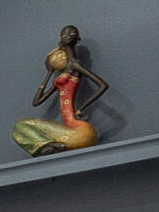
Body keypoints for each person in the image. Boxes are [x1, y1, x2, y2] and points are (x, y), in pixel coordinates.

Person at [13, 25, 109, 156]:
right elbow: (36, 102)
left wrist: (81, 108)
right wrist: (49, 75)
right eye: (64, 34)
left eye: (71, 34)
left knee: (22, 125)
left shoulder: (75, 64)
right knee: (20, 126)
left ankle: (50, 147)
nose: (67, 36)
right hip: (70, 129)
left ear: (77, 39)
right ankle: (52, 147)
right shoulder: (62, 76)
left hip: (81, 131)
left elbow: (103, 85)